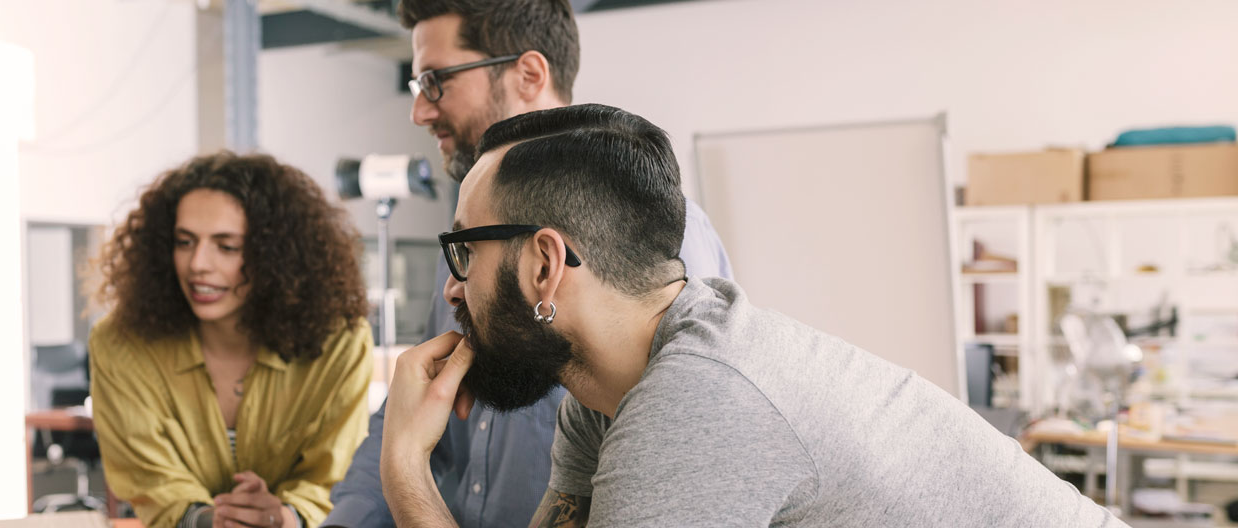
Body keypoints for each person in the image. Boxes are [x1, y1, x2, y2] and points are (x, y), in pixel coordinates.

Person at [379, 104, 1125, 527]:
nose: (453, 288)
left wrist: (407, 469)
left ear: (545, 265)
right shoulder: (605, 396)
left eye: (463, 250)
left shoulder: (699, 401)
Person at [322, 1, 731, 526]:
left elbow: (679, 448)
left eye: (435, 80)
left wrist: (406, 472)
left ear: (529, 73)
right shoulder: (473, 248)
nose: (420, 111)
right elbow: (418, 406)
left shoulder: (662, 245)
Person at [89, 152, 374, 528]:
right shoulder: (121, 344)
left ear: (277, 255)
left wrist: (286, 518)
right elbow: (150, 482)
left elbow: (335, 475)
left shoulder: (341, 342)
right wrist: (210, 521)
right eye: (184, 241)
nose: (198, 264)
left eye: (227, 246)